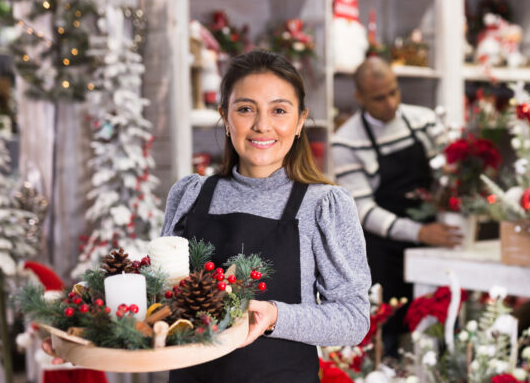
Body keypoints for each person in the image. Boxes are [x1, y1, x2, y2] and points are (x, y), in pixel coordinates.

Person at [44, 50, 371, 382]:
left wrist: (274, 315)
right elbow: (159, 297)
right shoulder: (190, 194)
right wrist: (85, 332)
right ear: (225, 117)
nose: (262, 125)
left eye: (279, 111)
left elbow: (354, 319)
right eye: (245, 109)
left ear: (300, 121)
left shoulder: (324, 204)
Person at [331, 57, 462, 352]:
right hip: (385, 254)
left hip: (433, 243)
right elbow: (363, 210)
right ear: (359, 97)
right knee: (388, 337)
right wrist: (419, 232)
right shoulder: (346, 141)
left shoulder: (423, 120)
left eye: (394, 92)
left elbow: (449, 170)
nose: (390, 103)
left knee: (442, 330)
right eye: (379, 98)